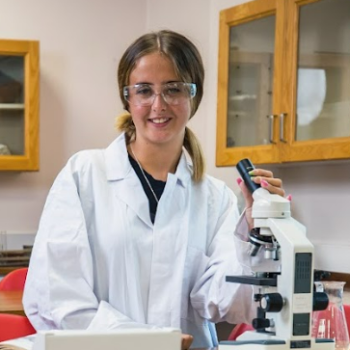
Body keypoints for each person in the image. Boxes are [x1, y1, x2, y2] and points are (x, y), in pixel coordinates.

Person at [23, 30, 286, 349]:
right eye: (144, 90)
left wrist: (257, 233)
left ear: (194, 96)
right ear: (128, 98)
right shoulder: (84, 176)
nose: (158, 105)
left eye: (173, 89)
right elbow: (57, 298)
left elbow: (227, 301)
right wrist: (148, 341)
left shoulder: (214, 197)